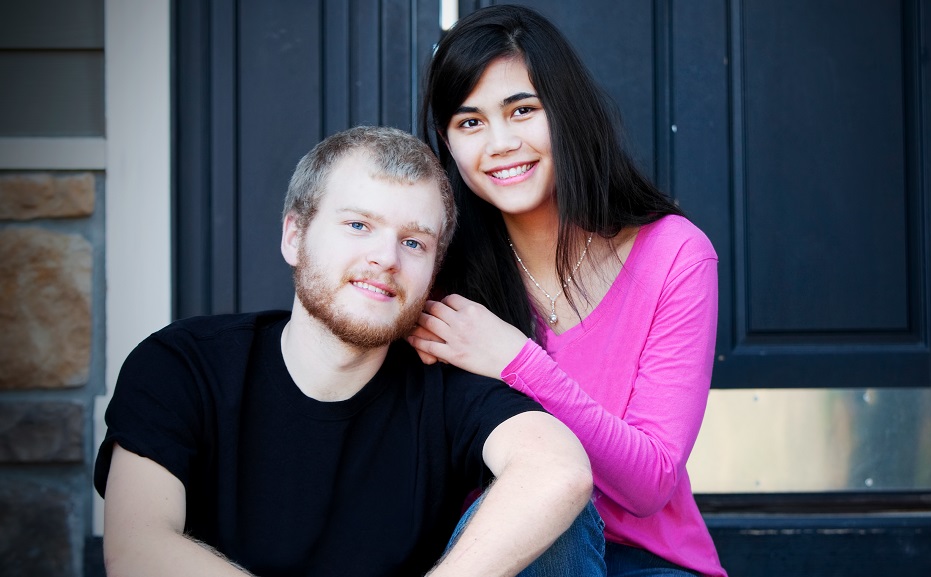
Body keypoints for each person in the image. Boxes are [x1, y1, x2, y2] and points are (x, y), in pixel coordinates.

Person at [93, 125, 601, 577]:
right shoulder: (183, 363)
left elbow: (557, 471)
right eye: (358, 225)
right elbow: (138, 548)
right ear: (295, 236)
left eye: (414, 243)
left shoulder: (443, 384)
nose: (385, 258)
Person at [413, 5, 727, 577]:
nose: (500, 143)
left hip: (648, 563)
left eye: (523, 110)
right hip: (506, 557)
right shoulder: (438, 274)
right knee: (538, 504)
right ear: (448, 142)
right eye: (470, 122)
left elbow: (650, 481)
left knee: (556, 490)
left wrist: (513, 358)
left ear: (567, 111)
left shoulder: (674, 255)